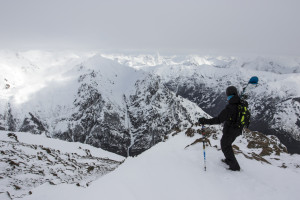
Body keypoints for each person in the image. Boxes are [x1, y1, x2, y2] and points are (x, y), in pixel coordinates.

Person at [198, 86, 242, 171]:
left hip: (232, 130)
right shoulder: (239, 102)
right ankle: (229, 160)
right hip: (237, 129)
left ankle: (234, 167)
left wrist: (204, 121)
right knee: (226, 144)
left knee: (225, 145)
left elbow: (219, 119)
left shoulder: (230, 107)